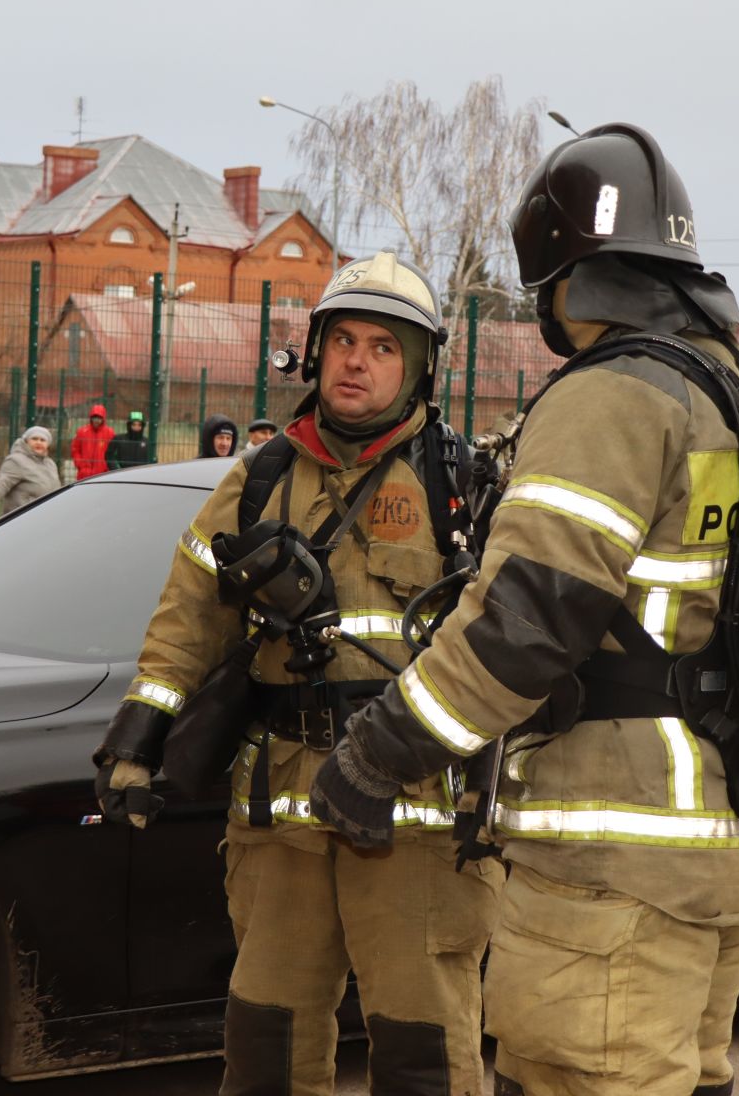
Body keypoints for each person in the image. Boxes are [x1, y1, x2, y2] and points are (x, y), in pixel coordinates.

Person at [311, 125, 739, 1096]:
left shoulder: (616, 393)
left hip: (612, 866)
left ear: (557, 270)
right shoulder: (736, 385)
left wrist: (378, 754)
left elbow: (528, 618)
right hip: (722, 846)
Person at [93, 251, 501, 1096]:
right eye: (343, 340)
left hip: (412, 806)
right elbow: (187, 619)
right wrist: (139, 735)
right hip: (277, 806)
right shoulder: (260, 477)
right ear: (314, 353)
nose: (356, 360)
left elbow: (513, 642)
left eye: (383, 347)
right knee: (267, 1037)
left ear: (419, 366)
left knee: (421, 1040)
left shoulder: (461, 484)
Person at [0, 426, 61, 519]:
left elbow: (56, 489)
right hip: (20, 518)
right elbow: (1, 483)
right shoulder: (16, 460)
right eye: (34, 439)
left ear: (47, 444)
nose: (38, 442)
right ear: (26, 441)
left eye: (42, 440)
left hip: (45, 517)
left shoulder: (50, 464)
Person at [69, 404, 114, 481]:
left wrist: (106, 467)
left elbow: (112, 453)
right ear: (91, 418)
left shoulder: (109, 433)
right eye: (94, 417)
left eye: (99, 418)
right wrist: (80, 465)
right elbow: (75, 450)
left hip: (102, 474)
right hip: (84, 474)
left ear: (103, 419)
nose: (96, 420)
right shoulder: (82, 432)